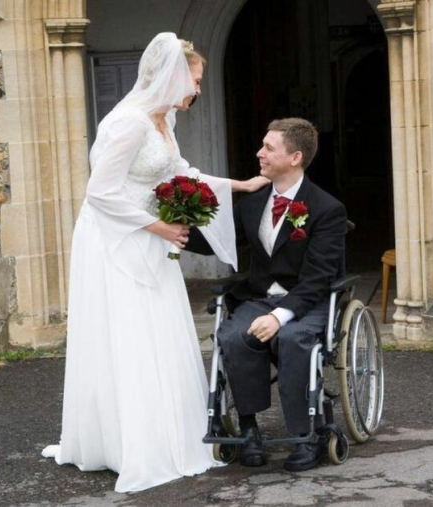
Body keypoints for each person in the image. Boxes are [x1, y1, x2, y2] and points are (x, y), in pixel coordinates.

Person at [41, 32, 268, 493]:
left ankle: (171, 434)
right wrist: (159, 228)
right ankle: (132, 445)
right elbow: (99, 193)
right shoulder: (129, 123)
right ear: (172, 76)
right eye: (196, 80)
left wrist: (239, 186)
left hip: (148, 238)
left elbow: (180, 171)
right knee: (130, 334)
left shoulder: (164, 120)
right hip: (116, 240)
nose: (199, 89)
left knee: (160, 330)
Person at [188, 118, 347, 472]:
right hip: (259, 297)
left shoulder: (326, 208)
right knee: (232, 335)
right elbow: (219, 240)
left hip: (308, 303)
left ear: (295, 157)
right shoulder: (253, 200)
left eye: (269, 148)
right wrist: (172, 228)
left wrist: (279, 316)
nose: (259, 153)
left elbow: (319, 277)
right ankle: (248, 430)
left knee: (293, 339)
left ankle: (308, 436)